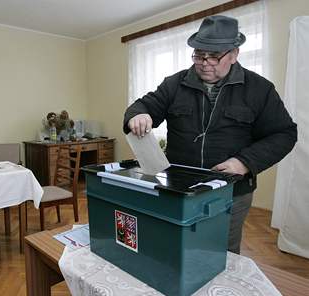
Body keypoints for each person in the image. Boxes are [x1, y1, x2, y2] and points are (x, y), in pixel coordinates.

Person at [123, 15, 297, 254]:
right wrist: (138, 115)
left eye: (214, 57)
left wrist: (244, 162)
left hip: (230, 193)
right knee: (174, 246)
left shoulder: (260, 89)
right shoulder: (175, 84)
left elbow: (284, 134)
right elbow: (142, 106)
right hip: (177, 188)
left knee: (220, 253)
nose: (205, 63)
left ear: (234, 54)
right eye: (198, 55)